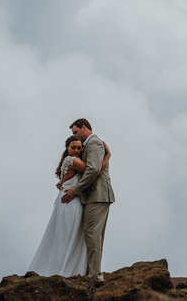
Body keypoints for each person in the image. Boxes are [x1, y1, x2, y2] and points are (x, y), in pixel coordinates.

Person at [28, 135, 110, 277]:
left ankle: (64, 268)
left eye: (79, 148)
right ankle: (65, 270)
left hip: (66, 200)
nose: (77, 150)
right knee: (68, 236)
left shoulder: (68, 161)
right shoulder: (72, 160)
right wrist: (107, 156)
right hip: (70, 203)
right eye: (73, 147)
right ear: (67, 148)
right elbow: (95, 171)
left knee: (66, 236)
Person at [61, 118, 115, 287]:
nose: (75, 137)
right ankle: (92, 273)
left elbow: (93, 170)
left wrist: (76, 190)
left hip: (97, 195)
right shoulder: (89, 146)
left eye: (76, 132)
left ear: (84, 128)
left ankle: (95, 277)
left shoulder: (94, 143)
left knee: (92, 234)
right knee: (91, 235)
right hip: (92, 195)